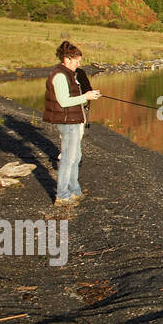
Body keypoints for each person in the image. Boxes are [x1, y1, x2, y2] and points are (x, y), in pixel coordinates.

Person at [43, 41, 101, 205]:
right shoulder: (60, 75)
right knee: (68, 159)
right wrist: (86, 97)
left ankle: (75, 190)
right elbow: (63, 101)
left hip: (74, 120)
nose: (79, 64)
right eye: (77, 61)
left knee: (76, 157)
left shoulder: (69, 74)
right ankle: (62, 195)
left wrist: (88, 95)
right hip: (67, 122)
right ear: (67, 59)